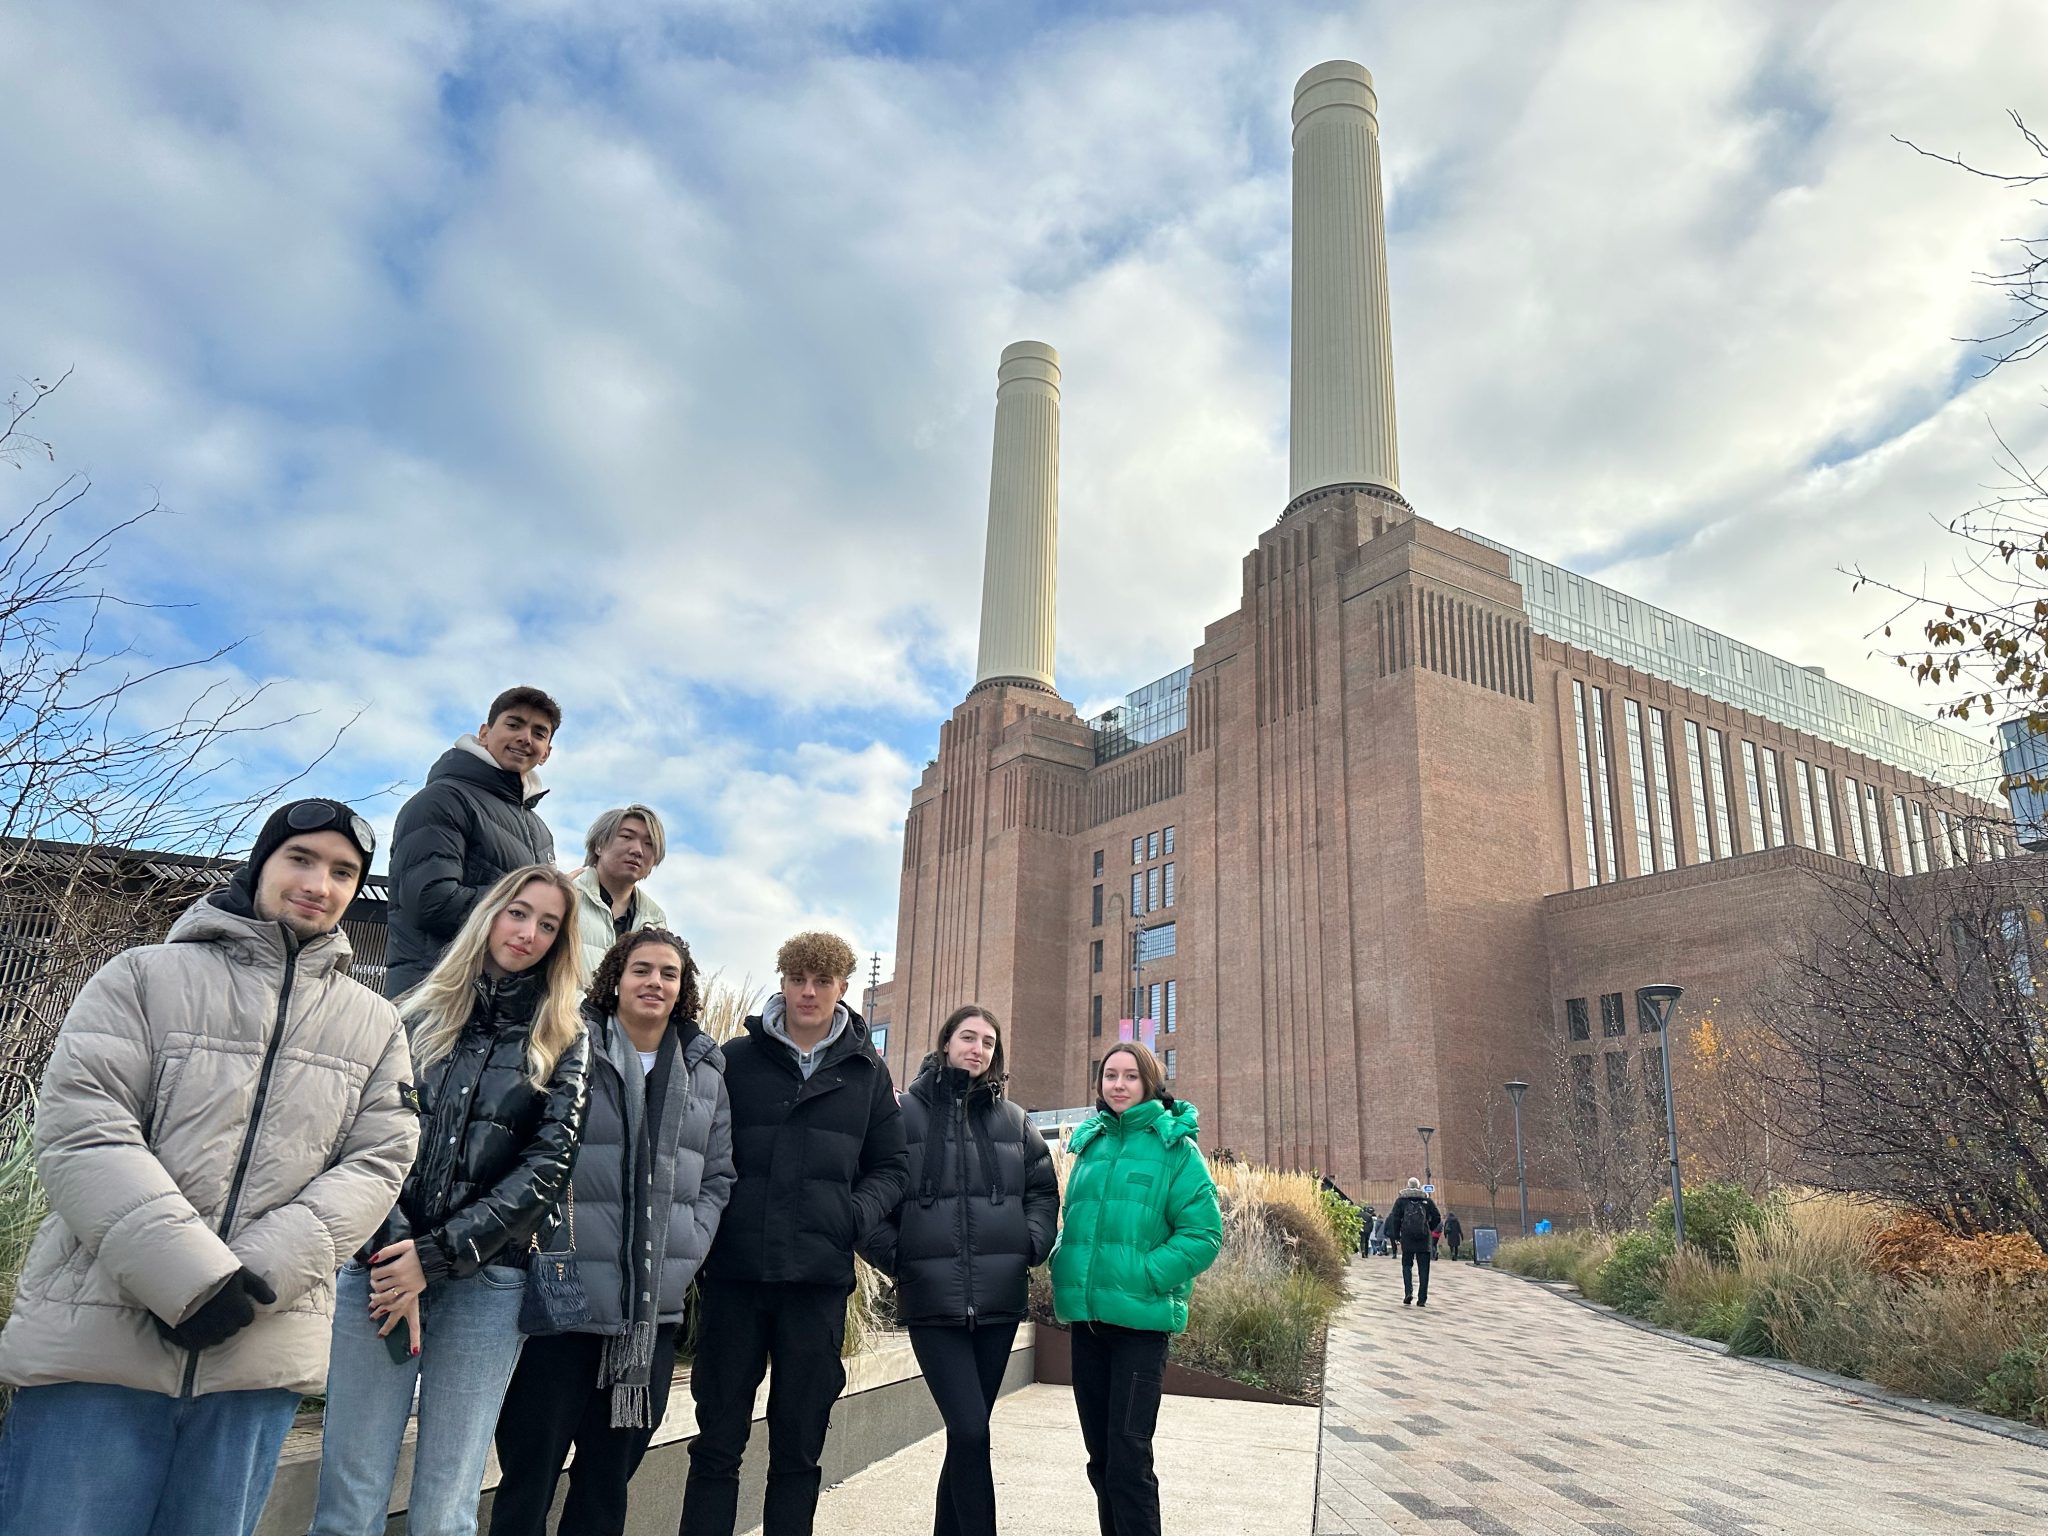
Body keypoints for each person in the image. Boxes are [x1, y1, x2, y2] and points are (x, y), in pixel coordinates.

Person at [0, 800, 416, 1536]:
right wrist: (191, 1281)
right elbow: (82, 1129)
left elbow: (379, 1162)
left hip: (255, 1355)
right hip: (101, 1345)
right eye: (302, 859)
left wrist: (253, 1281)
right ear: (262, 864)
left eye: (343, 871)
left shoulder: (376, 1023)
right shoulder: (142, 976)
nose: (320, 882)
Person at [308, 865, 590, 1536]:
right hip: (378, 1270)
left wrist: (433, 1257)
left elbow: (547, 1167)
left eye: (548, 925)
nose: (528, 933)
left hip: (485, 1282)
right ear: (491, 913)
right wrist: (395, 1254)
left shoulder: (565, 1040)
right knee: (348, 1501)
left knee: (445, 1509)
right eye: (519, 913)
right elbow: (366, 1137)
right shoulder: (413, 1013)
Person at [490, 928, 734, 1536]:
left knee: (606, 1482)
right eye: (642, 970)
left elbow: (719, 1175)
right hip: (563, 1306)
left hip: (649, 1314)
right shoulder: (567, 1045)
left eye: (669, 974)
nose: (655, 982)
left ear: (683, 989)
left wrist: (687, 1246)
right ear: (616, 979)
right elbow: (522, 1148)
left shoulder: (704, 1069)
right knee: (530, 1472)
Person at [680, 932, 908, 1536]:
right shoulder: (735, 1060)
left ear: (841, 987)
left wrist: (850, 1217)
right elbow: (695, 1154)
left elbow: (893, 1166)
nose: (808, 992)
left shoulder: (867, 1071)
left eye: (823, 981)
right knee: (716, 1444)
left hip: (816, 1283)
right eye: (798, 978)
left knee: (799, 1451)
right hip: (735, 1278)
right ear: (782, 980)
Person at [857, 1006, 1058, 1536]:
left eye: (988, 1042)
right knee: (971, 1432)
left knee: (966, 1436)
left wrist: (1029, 1244)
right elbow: (865, 1195)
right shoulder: (903, 1115)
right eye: (968, 1038)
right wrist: (898, 1257)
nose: (978, 1049)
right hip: (932, 1303)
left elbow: (1042, 1190)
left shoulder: (1014, 1121)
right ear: (945, 1043)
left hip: (999, 1302)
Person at [1051, 1041, 1223, 1536]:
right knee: (1101, 1459)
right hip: (1088, 1323)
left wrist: (1146, 1276)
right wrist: (1064, 1259)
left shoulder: (1175, 1148)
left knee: (1128, 1459)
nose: (1119, 1085)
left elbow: (1204, 1235)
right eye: (1110, 1076)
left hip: (1139, 1330)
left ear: (1149, 1083)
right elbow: (1074, 1221)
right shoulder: (1092, 1144)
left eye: (1130, 1076)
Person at [384, 686, 561, 996]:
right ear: (484, 733)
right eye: (514, 724)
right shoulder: (442, 800)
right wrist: (522, 906)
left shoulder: (540, 831)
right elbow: (430, 901)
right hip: (433, 995)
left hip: (498, 1006)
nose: (525, 737)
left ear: (546, 753)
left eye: (539, 732)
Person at [573, 804, 670, 975]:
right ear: (599, 845)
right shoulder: (567, 897)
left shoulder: (655, 921)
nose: (638, 850)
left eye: (649, 844)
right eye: (626, 836)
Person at [1385, 1177, 1442, 1307]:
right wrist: (1429, 1227)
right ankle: (1422, 1298)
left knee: (1407, 1265)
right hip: (1423, 1238)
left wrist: (1397, 1235)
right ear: (1419, 1186)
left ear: (1408, 1186)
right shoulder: (1426, 1200)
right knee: (1424, 1269)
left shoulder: (1401, 1201)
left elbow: (1395, 1218)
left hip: (1407, 1237)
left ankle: (1408, 1292)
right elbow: (1437, 1217)